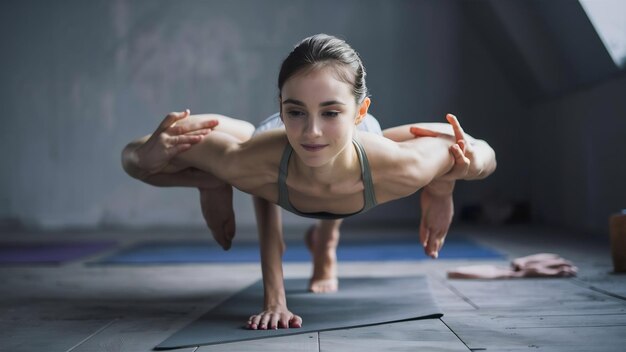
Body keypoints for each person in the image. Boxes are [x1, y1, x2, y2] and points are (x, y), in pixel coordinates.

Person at [122, 34, 496, 330]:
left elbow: (480, 152)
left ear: (359, 111)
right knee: (225, 155)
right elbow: (134, 161)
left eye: (330, 111)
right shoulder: (255, 159)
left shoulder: (401, 164)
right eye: (296, 110)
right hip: (272, 155)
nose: (312, 131)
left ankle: (326, 242)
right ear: (283, 106)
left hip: (359, 149)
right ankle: (212, 178)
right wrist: (274, 299)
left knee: (328, 174)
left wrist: (447, 181)